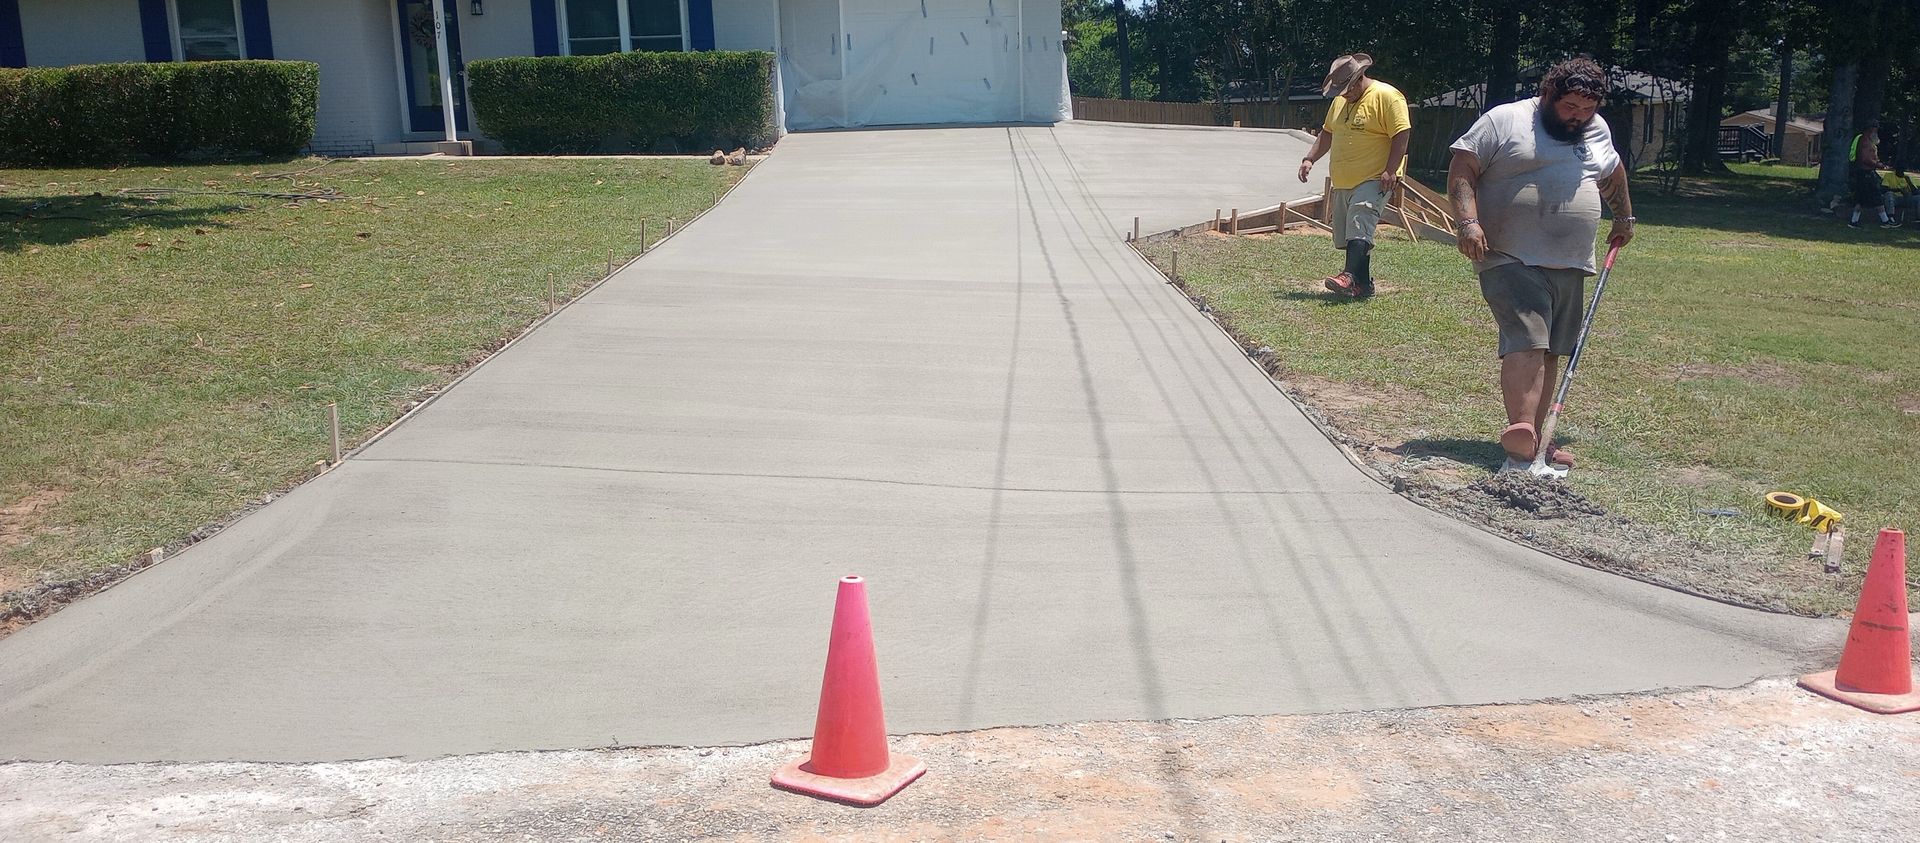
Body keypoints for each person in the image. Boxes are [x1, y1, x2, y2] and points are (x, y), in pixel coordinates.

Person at [1446, 58, 1634, 473]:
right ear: (1548, 95)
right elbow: (1463, 165)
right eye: (1570, 107)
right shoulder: (1506, 120)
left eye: (1587, 110)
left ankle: (1537, 440)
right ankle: (1521, 442)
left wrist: (1624, 217)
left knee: (1552, 351)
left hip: (1570, 262)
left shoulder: (1595, 128)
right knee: (1528, 339)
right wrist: (1467, 222)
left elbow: (1612, 172)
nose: (1578, 117)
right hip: (1508, 255)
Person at [1295, 53, 1411, 298]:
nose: (1344, 94)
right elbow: (1327, 133)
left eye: (1347, 89)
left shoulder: (1387, 97)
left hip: (1376, 176)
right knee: (1354, 232)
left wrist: (1391, 170)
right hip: (1345, 179)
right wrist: (1309, 158)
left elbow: (1401, 134)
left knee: (1360, 219)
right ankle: (1363, 285)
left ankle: (1348, 276)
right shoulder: (1339, 102)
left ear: (1360, 77)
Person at [1847, 125, 1900, 229]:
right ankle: (1885, 221)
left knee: (1860, 198)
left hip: (1863, 173)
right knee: (1876, 196)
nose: (1876, 134)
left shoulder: (1863, 140)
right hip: (1866, 173)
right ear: (1870, 130)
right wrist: (1878, 165)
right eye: (1875, 131)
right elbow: (1865, 159)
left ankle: (1854, 221)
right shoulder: (1866, 142)